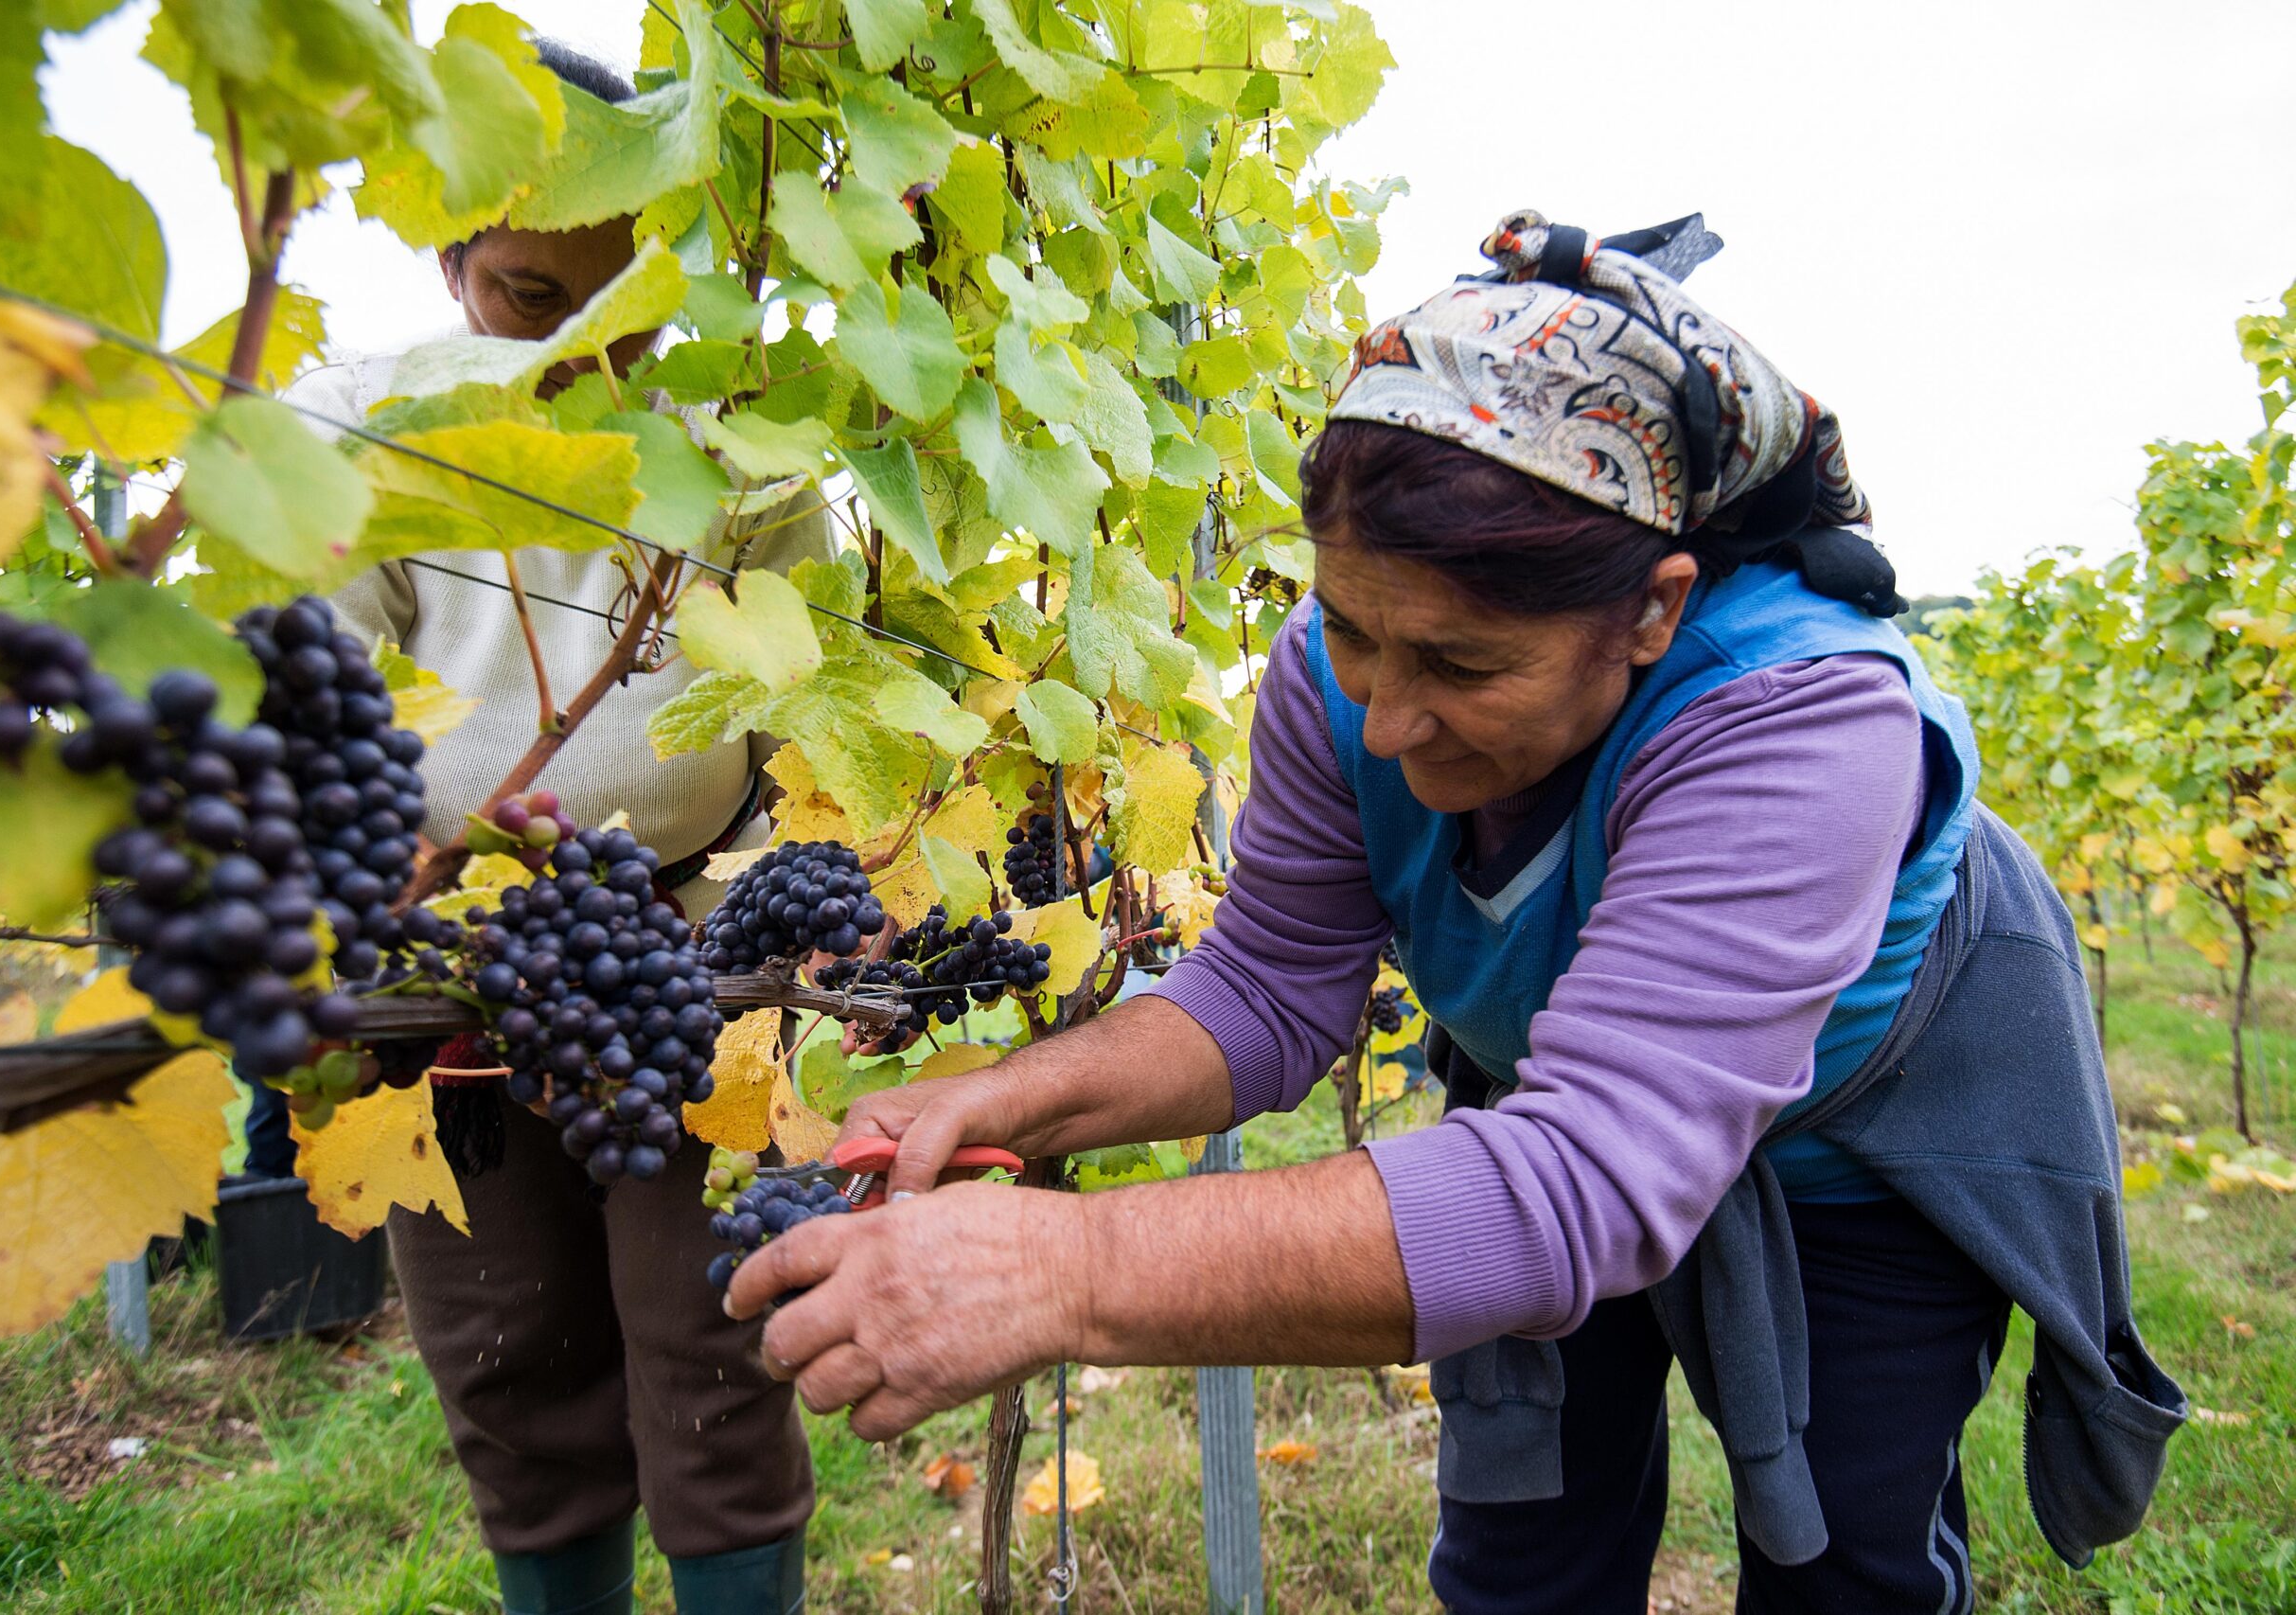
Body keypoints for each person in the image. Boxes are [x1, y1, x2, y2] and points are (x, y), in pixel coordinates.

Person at [727, 213, 2189, 1612]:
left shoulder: (1799, 716)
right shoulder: (1332, 674)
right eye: (1356, 631)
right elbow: (1273, 988)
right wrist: (1006, 1094)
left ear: (1654, 610)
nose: (1389, 720)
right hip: (1552, 1102)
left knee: (1849, 1567)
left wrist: (1068, 1268)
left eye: (1464, 663)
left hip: (1861, 1130)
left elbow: (1587, 1183)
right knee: (1522, 1558)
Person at [285, 41, 827, 1615]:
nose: (595, 355)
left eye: (629, 308)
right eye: (536, 299)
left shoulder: (742, 439)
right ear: (451, 264)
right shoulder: (364, 431)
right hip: (449, 953)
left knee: (712, 1334)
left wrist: (771, 915)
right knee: (505, 1338)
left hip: (687, 947)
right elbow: (328, 729)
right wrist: (375, 890)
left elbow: (809, 709)